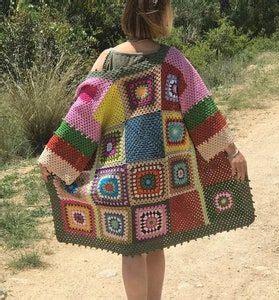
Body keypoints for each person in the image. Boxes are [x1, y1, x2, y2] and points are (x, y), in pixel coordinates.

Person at [39, 1, 249, 299]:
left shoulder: (107, 60)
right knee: (155, 241)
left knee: (133, 250)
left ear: (128, 16)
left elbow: (83, 113)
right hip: (162, 173)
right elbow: (201, 110)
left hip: (119, 175)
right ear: (161, 16)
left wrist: (55, 157)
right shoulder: (173, 60)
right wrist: (231, 150)